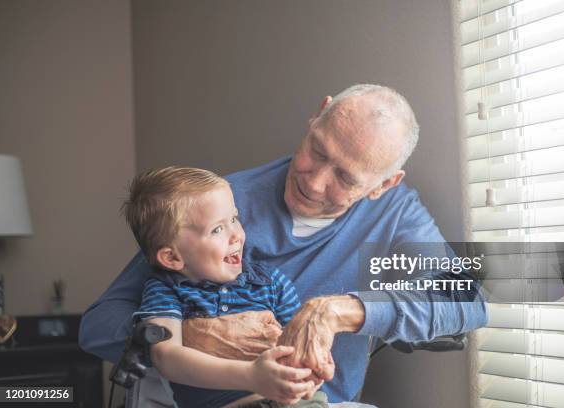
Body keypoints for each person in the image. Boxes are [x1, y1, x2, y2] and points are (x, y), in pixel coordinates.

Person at [80, 84, 488, 405]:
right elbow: (97, 326)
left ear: (383, 185)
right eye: (317, 150)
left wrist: (344, 310)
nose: (313, 181)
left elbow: (467, 299)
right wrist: (190, 334)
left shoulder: (395, 212)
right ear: (317, 115)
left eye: (345, 178)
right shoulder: (220, 207)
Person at [121, 166, 321, 407]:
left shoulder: (271, 282)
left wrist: (314, 362)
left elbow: (300, 340)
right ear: (173, 258)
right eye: (217, 229)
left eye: (234, 219)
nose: (235, 235)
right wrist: (252, 376)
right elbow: (166, 356)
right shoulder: (166, 290)